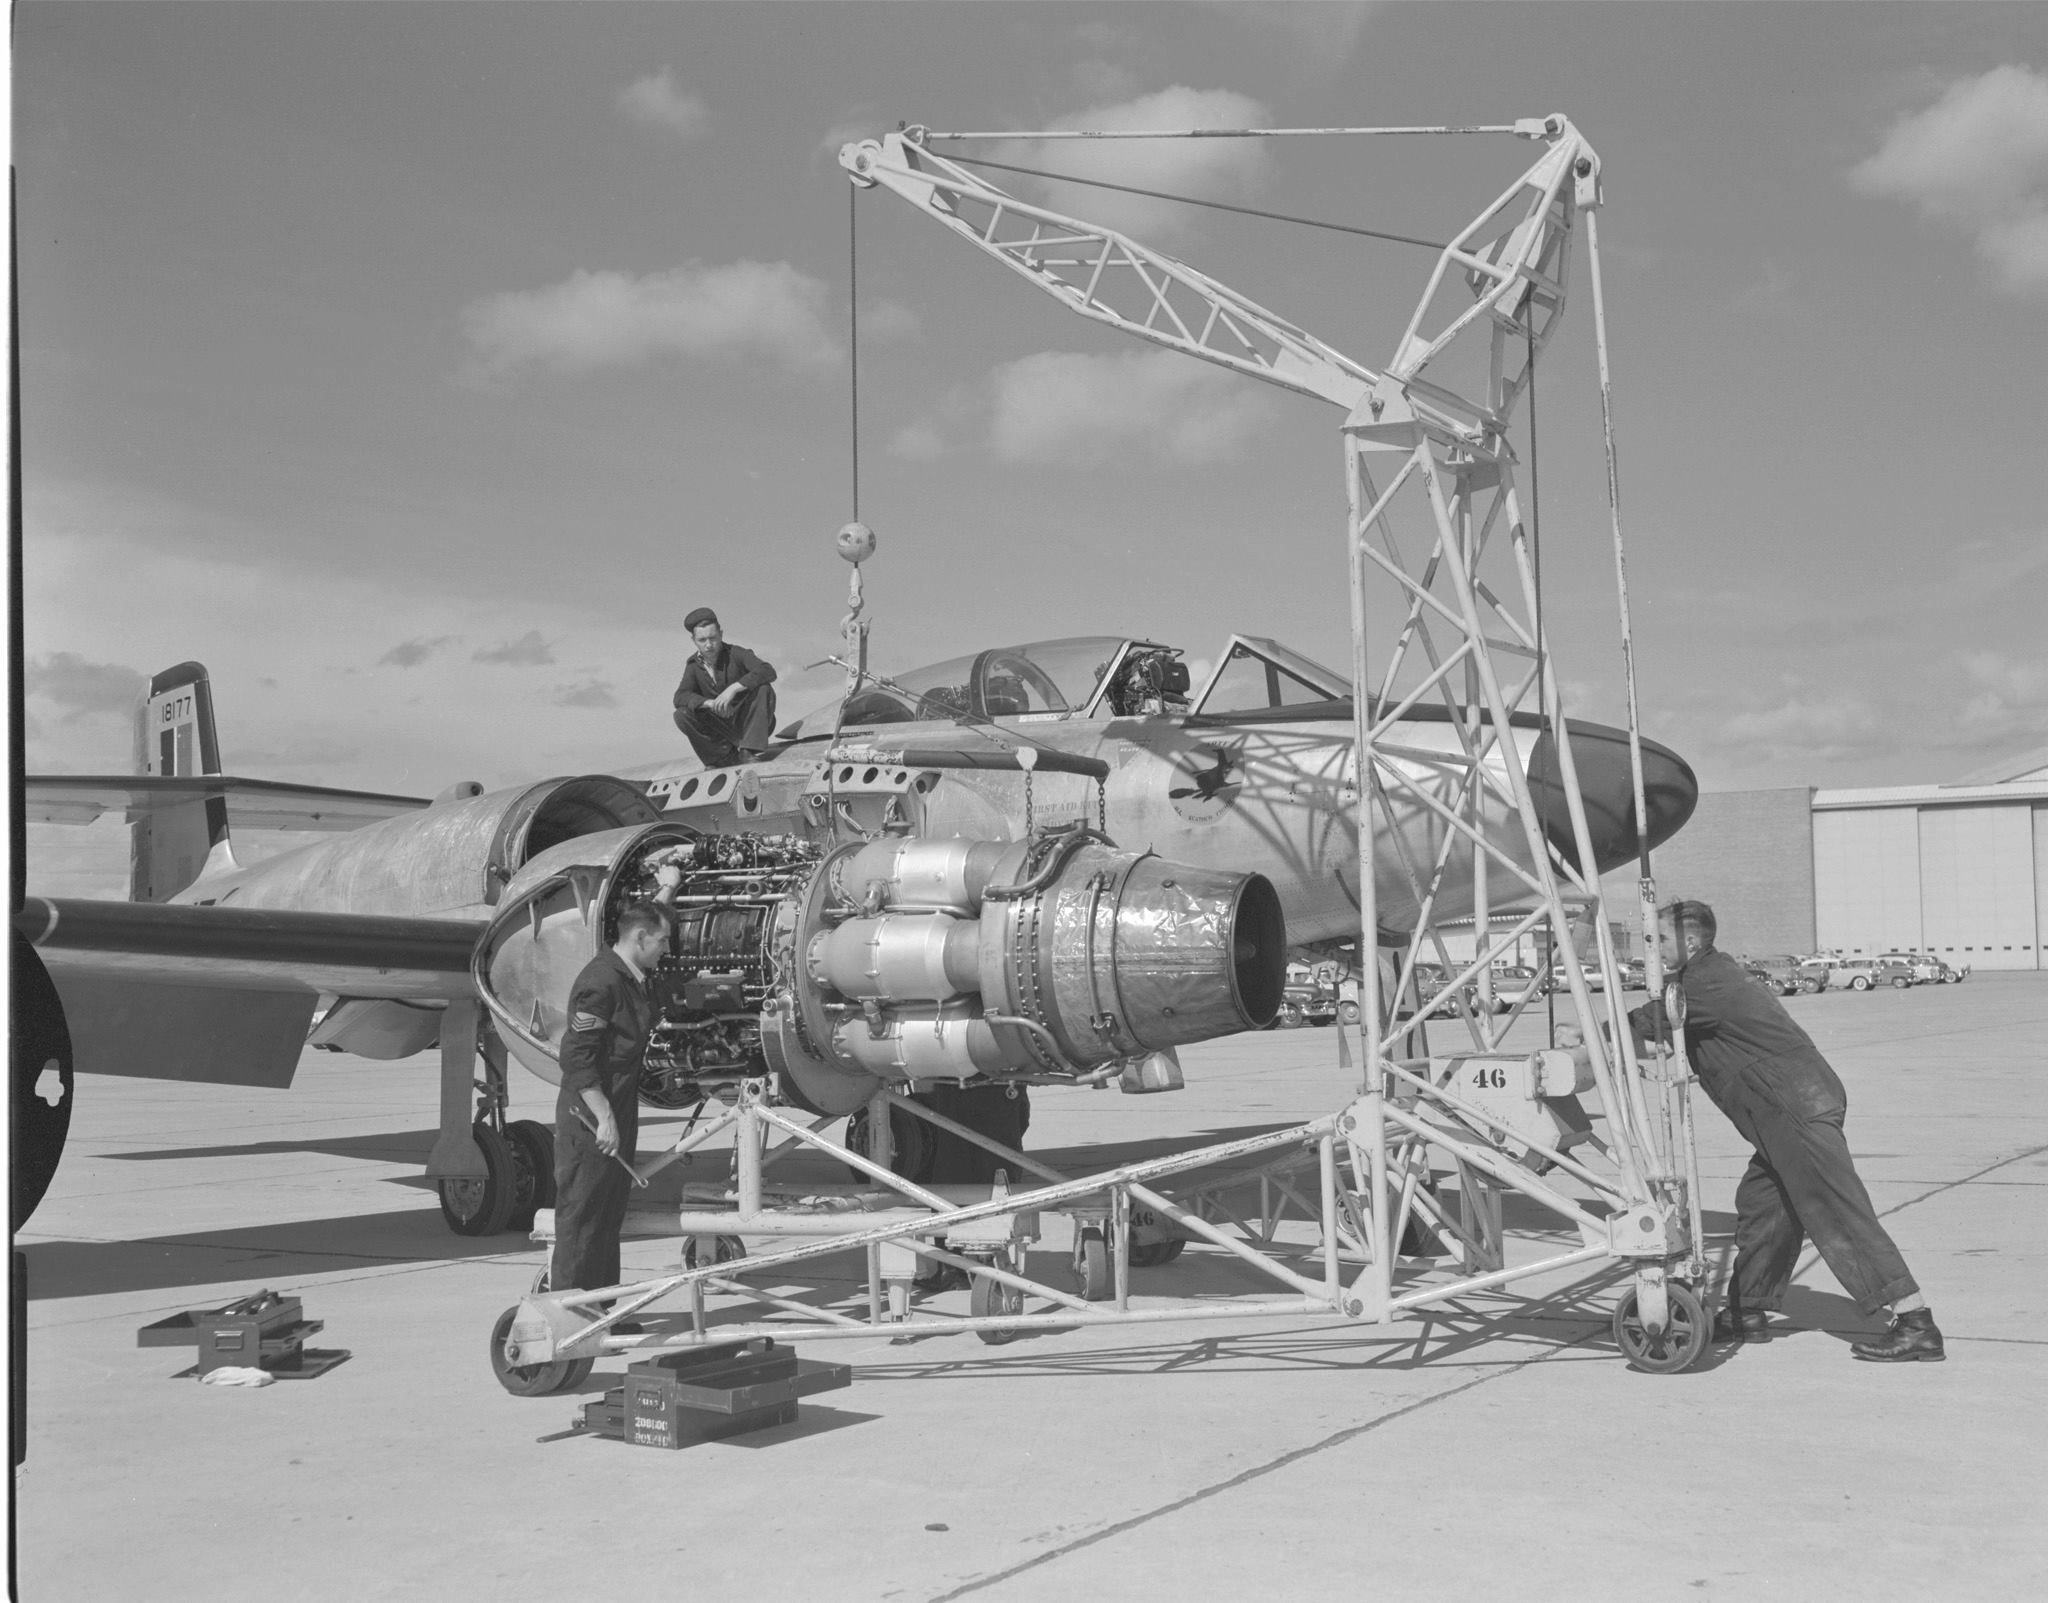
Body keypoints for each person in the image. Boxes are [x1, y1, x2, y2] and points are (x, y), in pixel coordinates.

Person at [1627, 899, 1943, 1361]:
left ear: (1690, 942)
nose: (1649, 948)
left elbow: (1652, 1020)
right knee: (1764, 1208)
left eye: (1658, 939)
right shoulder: (1708, 975)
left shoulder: (1705, 980)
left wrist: (1594, 1035)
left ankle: (1915, 1322)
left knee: (1834, 1210)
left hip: (1793, 1108)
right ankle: (1746, 1310)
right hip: (1790, 1107)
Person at [552, 901, 670, 1322]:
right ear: (639, 939)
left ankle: (601, 1311)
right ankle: (568, 1317)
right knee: (581, 1216)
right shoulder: (601, 983)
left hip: (616, 1109)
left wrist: (667, 891)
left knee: (607, 1217)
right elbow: (577, 1059)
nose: (666, 948)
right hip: (589, 1116)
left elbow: (651, 918)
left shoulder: (632, 977)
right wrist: (603, 1118)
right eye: (661, 940)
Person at [671, 607, 778, 767]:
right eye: (702, 640)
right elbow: (680, 696)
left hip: (748, 722)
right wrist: (710, 703)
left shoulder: (737, 653)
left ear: (721, 634)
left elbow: (767, 670)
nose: (709, 645)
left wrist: (733, 689)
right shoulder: (693, 665)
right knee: (682, 714)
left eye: (713, 638)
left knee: (764, 688)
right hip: (721, 727)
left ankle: (748, 751)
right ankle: (720, 757)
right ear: (693, 640)